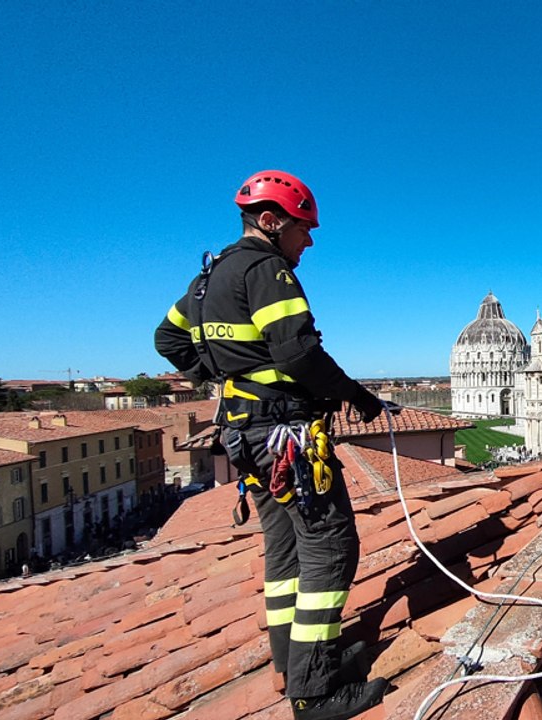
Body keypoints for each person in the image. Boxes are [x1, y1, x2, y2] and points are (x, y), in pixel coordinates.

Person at [155, 170, 387, 720]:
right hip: (285, 436)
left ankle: (290, 660)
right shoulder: (267, 271)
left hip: (244, 434)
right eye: (303, 229)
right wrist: (358, 396)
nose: (309, 241)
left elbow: (168, 339)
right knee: (331, 548)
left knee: (284, 548)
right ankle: (313, 690)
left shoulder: (207, 281)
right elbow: (299, 354)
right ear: (270, 222)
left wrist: (227, 374)